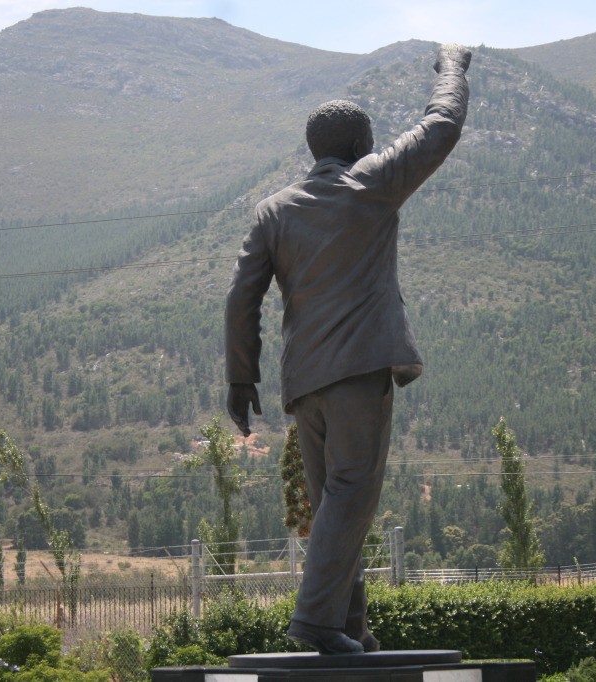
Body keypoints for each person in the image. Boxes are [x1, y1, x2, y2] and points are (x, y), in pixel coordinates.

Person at [224, 44, 472, 655]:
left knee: (337, 507)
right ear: (363, 145)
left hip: (302, 385)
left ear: (315, 149)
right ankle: (314, 623)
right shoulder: (372, 185)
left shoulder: (273, 211)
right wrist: (452, 69)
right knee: (351, 496)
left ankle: (348, 629)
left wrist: (240, 378)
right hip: (358, 372)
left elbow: (240, 299)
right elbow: (442, 125)